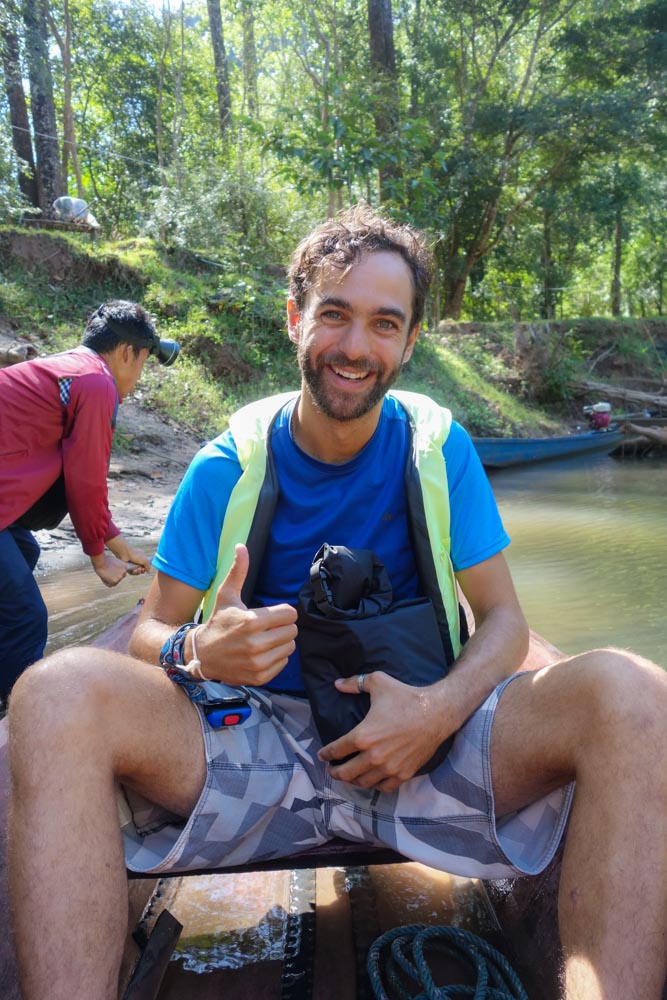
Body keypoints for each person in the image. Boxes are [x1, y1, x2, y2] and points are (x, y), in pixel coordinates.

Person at [7, 207, 667, 1000]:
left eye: (384, 324)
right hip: (249, 753)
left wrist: (438, 707)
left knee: (634, 693)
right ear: (295, 318)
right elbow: (149, 629)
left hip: (429, 749)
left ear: (409, 341)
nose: (356, 347)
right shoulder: (225, 467)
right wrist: (198, 652)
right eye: (334, 315)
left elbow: (503, 622)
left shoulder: (438, 449)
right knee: (51, 691)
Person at [0, 299, 179, 700]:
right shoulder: (97, 383)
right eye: (143, 362)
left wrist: (119, 545)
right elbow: (85, 481)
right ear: (127, 353)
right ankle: (18, 720)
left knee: (23, 555)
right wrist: (100, 557)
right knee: (26, 618)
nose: (137, 377)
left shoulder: (67, 368)